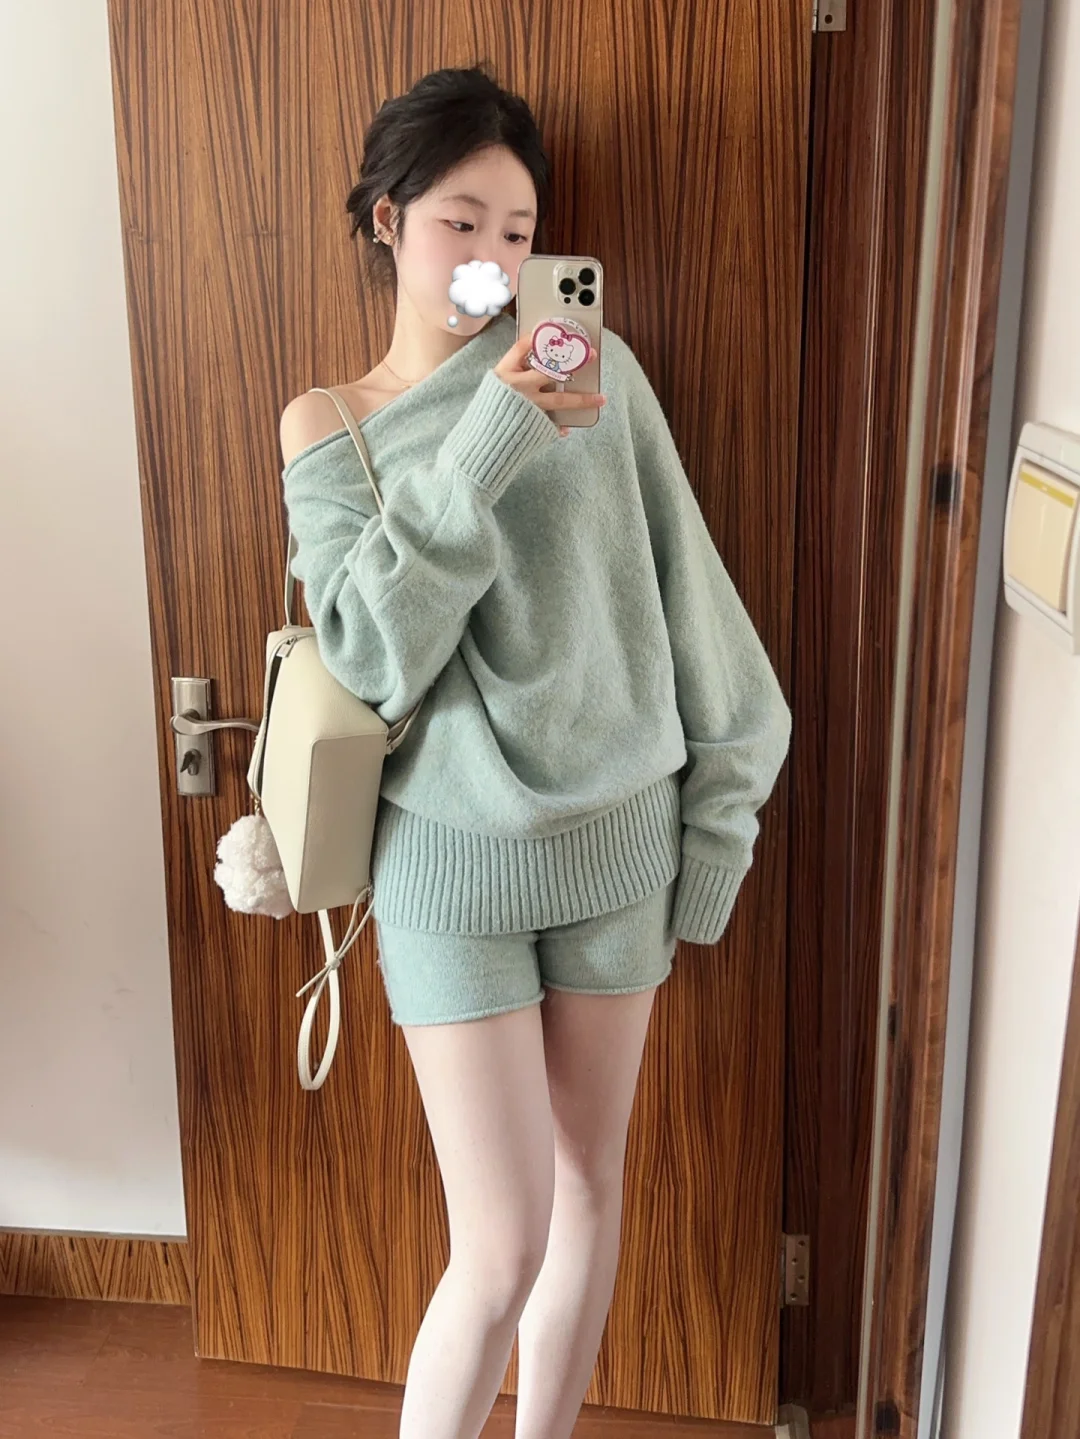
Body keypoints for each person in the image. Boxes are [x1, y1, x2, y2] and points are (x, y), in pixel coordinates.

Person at [279, 63, 791, 1439]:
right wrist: (496, 428)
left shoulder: (601, 373)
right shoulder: (333, 426)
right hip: (447, 866)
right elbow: (369, 654)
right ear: (388, 220)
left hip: (619, 851)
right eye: (461, 223)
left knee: (589, 1188)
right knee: (501, 1245)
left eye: (518, 232)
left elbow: (698, 612)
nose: (494, 259)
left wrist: (713, 842)